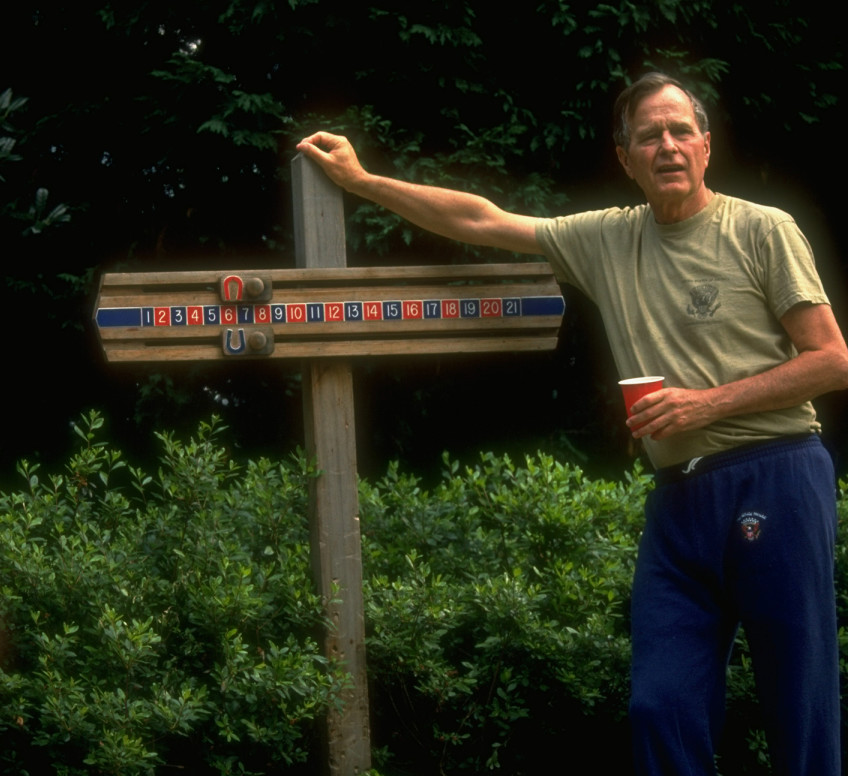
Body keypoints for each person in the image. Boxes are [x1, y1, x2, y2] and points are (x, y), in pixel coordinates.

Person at [298, 73, 847, 774]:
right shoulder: (608, 238)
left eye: (681, 131)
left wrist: (703, 404)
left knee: (798, 704)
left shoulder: (762, 228)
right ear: (625, 158)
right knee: (660, 704)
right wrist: (364, 180)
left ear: (706, 146)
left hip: (777, 473)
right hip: (678, 498)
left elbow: (832, 360)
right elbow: (482, 220)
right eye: (649, 135)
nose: (668, 146)